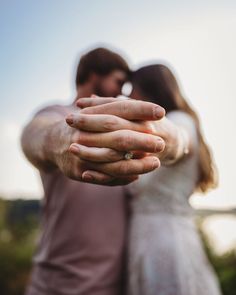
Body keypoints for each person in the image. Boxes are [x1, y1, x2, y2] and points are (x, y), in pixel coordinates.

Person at [21, 48, 170, 295]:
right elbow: (34, 136)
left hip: (116, 284)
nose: (122, 92)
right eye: (119, 82)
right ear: (93, 75)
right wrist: (59, 139)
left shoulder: (125, 127)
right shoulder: (56, 114)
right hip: (55, 282)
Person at [125, 64, 221, 295]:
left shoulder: (179, 122)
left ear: (149, 90)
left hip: (164, 244)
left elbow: (176, 139)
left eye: (132, 89)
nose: (129, 96)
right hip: (156, 238)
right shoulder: (178, 120)